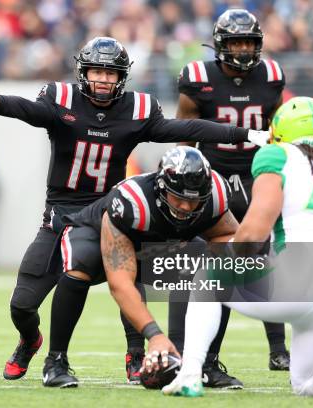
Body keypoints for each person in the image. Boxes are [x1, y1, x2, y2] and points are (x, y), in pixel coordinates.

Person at [0, 36, 270, 382]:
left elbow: (185, 127)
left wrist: (243, 133)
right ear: (83, 72)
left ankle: (130, 355)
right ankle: (29, 340)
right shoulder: (61, 99)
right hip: (62, 213)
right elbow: (31, 112)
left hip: (112, 210)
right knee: (22, 304)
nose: (103, 80)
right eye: (97, 71)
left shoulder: (137, 110)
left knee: (128, 273)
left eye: (111, 74)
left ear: (122, 77)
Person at [163, 97, 313, 399]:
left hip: (296, 278)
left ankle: (190, 374)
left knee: (208, 273)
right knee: (308, 387)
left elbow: (253, 234)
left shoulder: (277, 155)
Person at [41, 146, 237, 387]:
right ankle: (55, 361)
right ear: (162, 187)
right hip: (95, 231)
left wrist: (209, 273)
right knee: (81, 265)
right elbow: (121, 283)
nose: (186, 207)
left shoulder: (215, 195)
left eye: (194, 200)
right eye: (179, 198)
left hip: (155, 241)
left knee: (219, 269)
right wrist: (155, 335)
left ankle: (202, 363)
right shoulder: (132, 202)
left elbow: (228, 234)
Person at [174, 8, 289, 385]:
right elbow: (186, 133)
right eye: (235, 42)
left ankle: (278, 350)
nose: (242, 49)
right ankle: (186, 355)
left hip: (258, 175)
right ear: (220, 44)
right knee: (201, 267)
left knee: (262, 259)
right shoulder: (197, 78)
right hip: (212, 178)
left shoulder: (272, 76)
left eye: (248, 42)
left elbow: (279, 128)